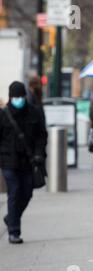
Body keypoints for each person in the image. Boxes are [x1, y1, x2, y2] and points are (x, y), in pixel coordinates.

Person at [0, 81, 47, 244]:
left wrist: (40, 154)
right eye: (15, 97)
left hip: (28, 161)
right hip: (8, 161)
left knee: (27, 193)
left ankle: (11, 217)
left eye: (20, 96)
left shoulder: (33, 113)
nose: (18, 99)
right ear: (10, 97)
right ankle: (14, 231)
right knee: (14, 192)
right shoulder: (3, 114)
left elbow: (41, 136)